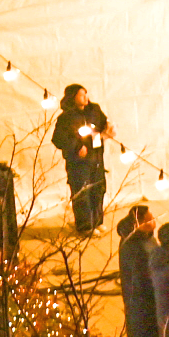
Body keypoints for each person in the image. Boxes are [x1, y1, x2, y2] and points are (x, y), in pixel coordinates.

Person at [54, 84, 111, 237]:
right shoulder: (66, 118)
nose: (85, 97)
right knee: (82, 191)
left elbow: (103, 123)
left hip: (96, 157)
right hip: (78, 163)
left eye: (86, 94)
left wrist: (108, 128)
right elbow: (58, 139)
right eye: (81, 95)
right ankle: (85, 225)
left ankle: (97, 221)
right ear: (73, 97)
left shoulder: (94, 110)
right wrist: (77, 147)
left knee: (98, 189)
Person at [117, 204, 162, 337]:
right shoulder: (133, 246)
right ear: (139, 223)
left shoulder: (146, 238)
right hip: (139, 300)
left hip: (147, 298)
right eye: (149, 219)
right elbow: (140, 276)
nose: (154, 222)